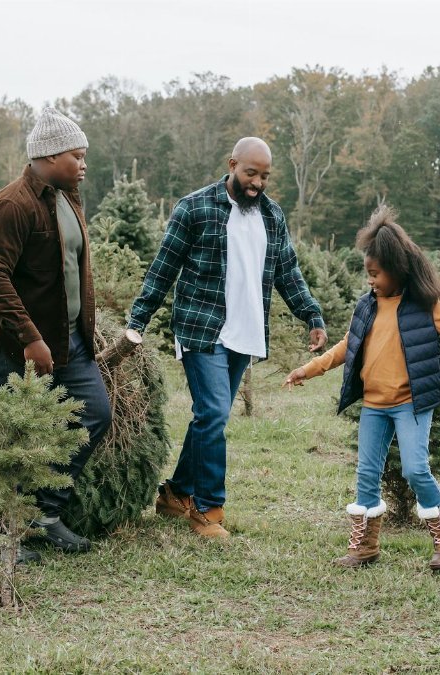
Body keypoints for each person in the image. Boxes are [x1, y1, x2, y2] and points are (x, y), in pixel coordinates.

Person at [284, 205, 440, 571]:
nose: (370, 281)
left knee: (415, 470)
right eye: (367, 274)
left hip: (411, 404)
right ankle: (365, 545)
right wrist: (308, 369)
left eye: (375, 274)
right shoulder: (366, 307)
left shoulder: (425, 307)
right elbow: (345, 348)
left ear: (397, 269)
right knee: (366, 473)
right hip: (373, 406)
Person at [124, 137, 326, 538]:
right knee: (214, 414)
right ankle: (208, 508)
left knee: (208, 418)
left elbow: (288, 270)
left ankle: (176, 492)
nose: (257, 183)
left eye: (265, 176)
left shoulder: (271, 215)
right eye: (251, 173)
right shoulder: (195, 207)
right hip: (202, 327)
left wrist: (311, 314)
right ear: (232, 164)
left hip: (245, 332)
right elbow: (163, 268)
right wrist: (138, 321)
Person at [0, 107, 111, 559]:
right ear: (50, 157)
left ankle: (44, 514)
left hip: (71, 340)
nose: (84, 164)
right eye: (77, 155)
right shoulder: (11, 205)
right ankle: (1, 536)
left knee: (95, 415)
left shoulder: (68, 197)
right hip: (21, 348)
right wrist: (30, 338)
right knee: (13, 441)